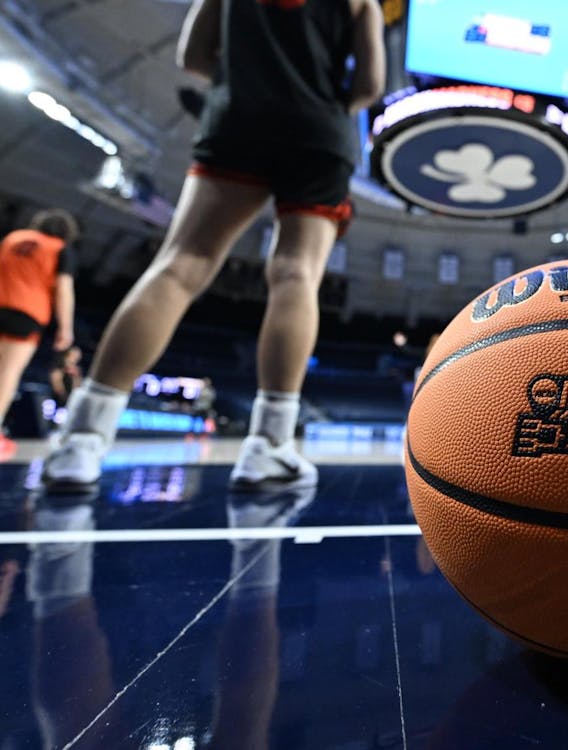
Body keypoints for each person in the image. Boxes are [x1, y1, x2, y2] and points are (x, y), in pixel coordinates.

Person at [43, 0, 386, 490]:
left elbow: (194, 56)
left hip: (237, 118)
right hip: (318, 131)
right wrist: (319, 98)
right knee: (296, 275)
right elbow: (370, 87)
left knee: (180, 265)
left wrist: (247, 80)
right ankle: (268, 448)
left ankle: (81, 440)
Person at [0, 209, 79, 456]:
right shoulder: (59, 248)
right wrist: (65, 327)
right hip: (27, 314)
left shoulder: (12, 238)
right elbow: (64, 289)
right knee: (7, 372)